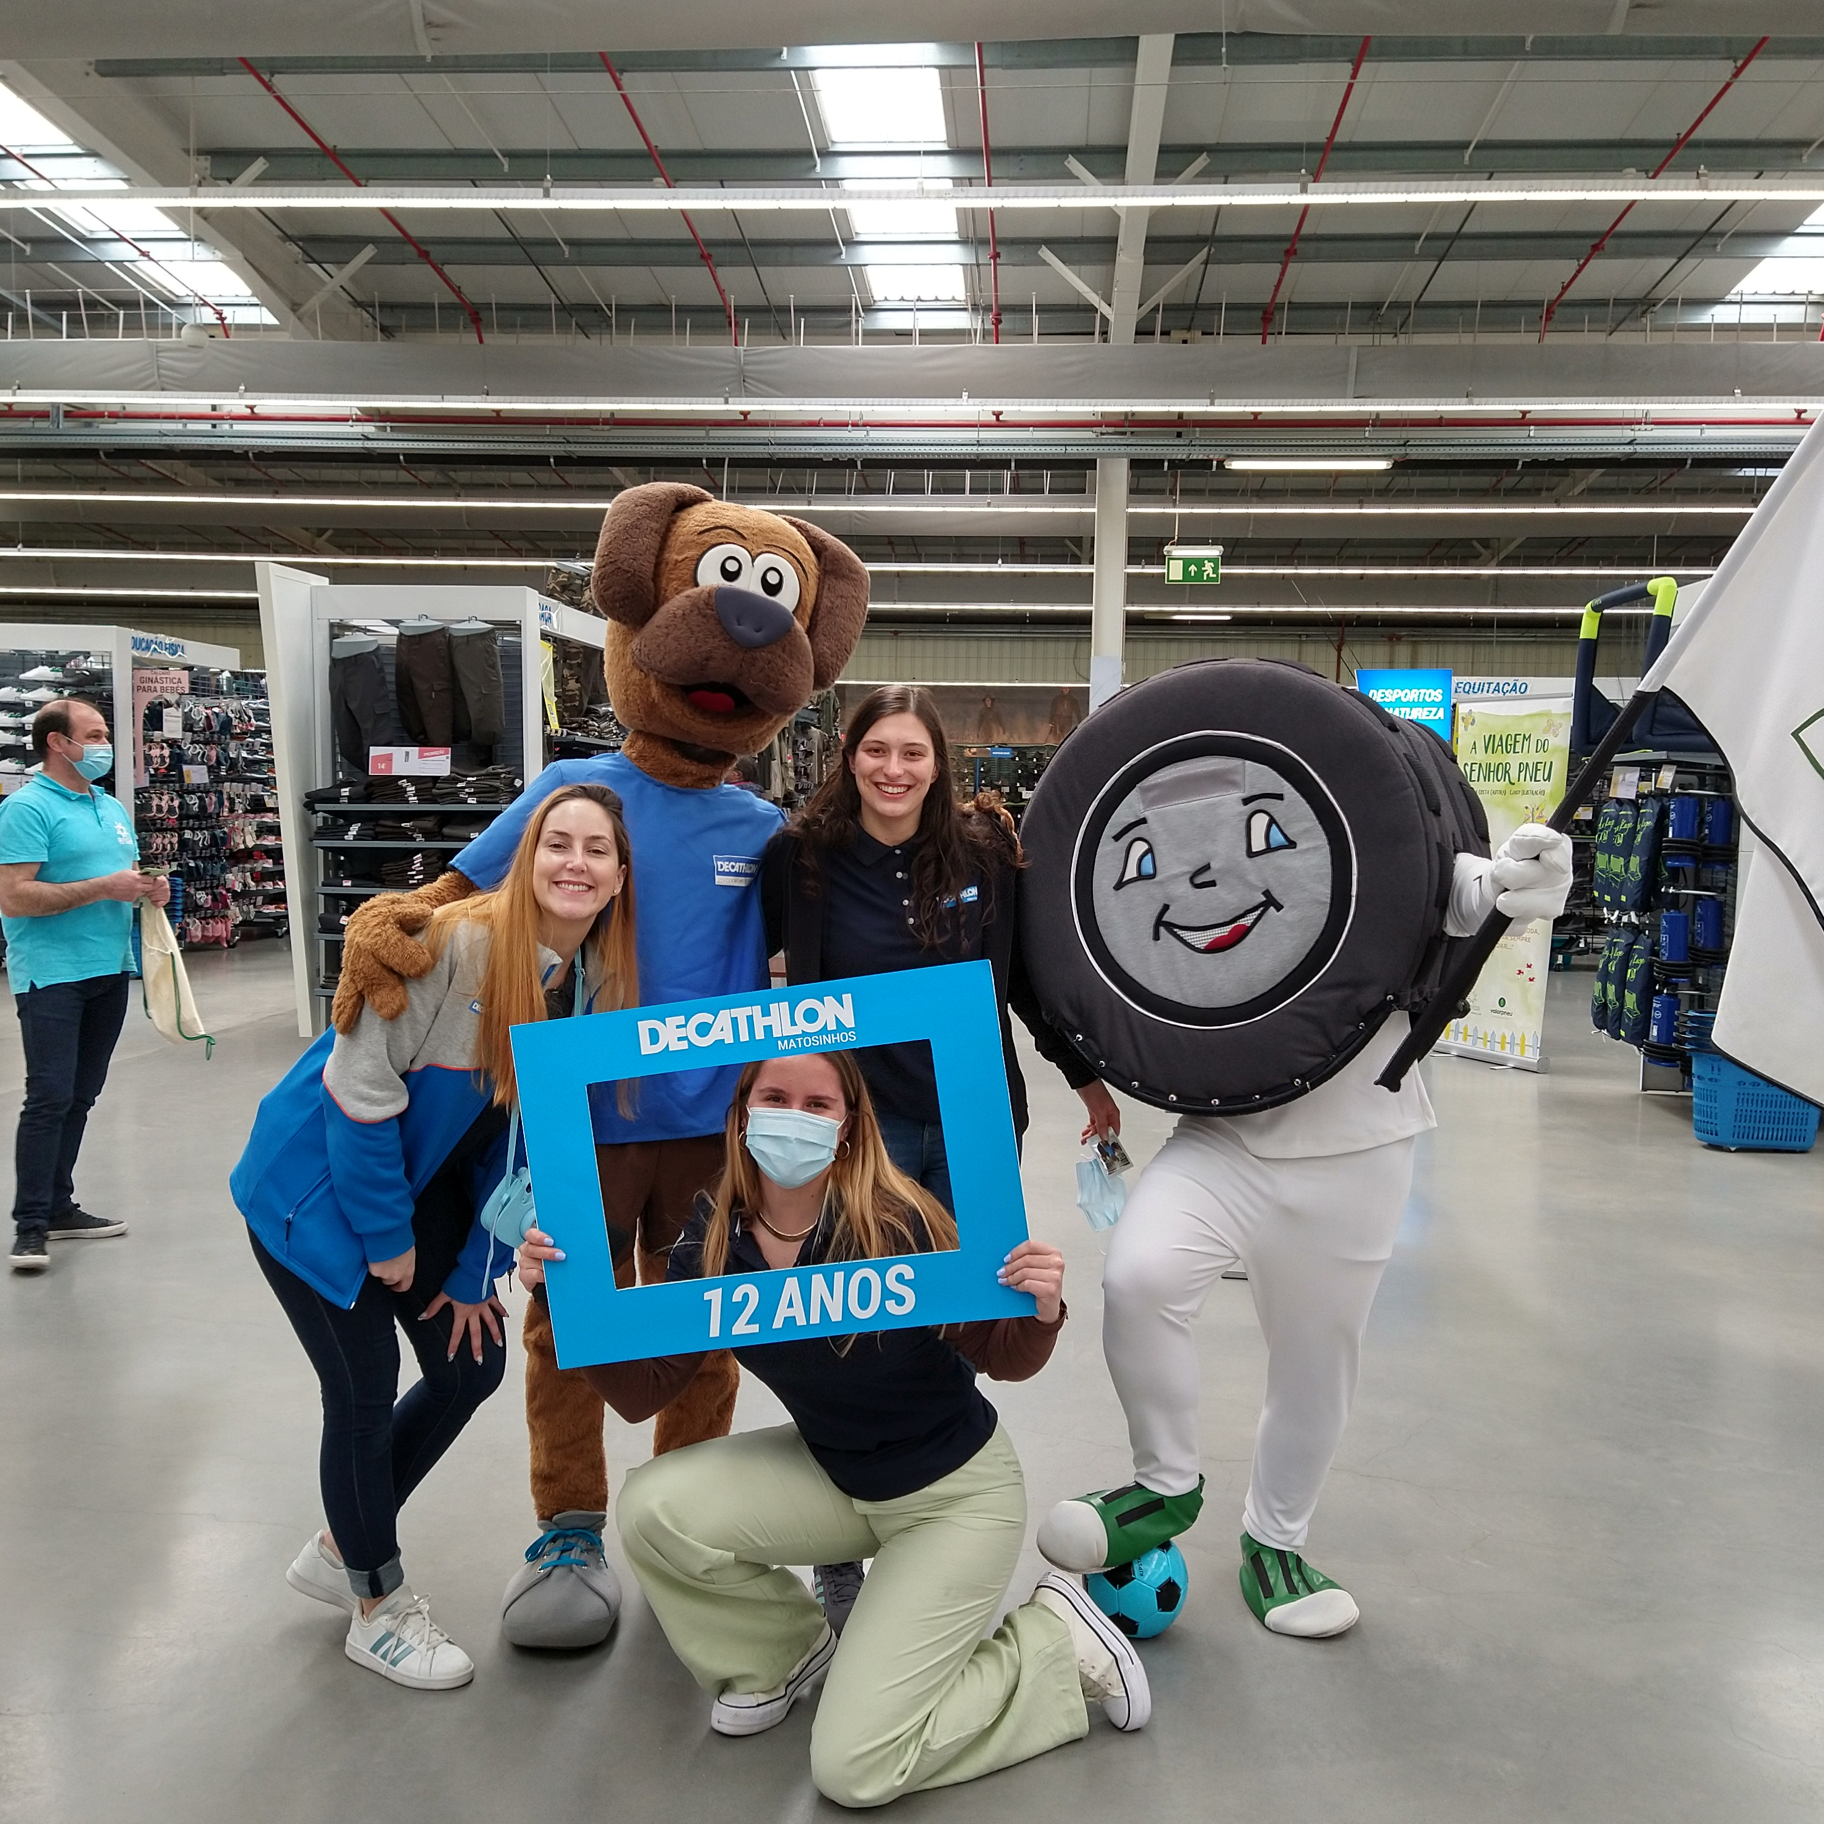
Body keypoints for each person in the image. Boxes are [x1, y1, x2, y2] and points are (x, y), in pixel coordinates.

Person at [515, 1049, 1149, 1808]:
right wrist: (567, 1300)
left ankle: (1055, 1643)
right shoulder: (718, 1230)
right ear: (742, 1112)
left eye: (818, 1105)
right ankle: (782, 1656)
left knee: (854, 1769)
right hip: (835, 1475)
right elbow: (644, 1392)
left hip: (953, 1496)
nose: (794, 1116)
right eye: (774, 1096)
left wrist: (1042, 1307)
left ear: (850, 1126)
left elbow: (1002, 1357)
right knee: (654, 1509)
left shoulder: (899, 1216)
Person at [229, 784, 638, 1690]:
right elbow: (360, 1091)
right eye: (556, 843)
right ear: (527, 859)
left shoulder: (591, 983)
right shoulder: (459, 945)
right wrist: (385, 1242)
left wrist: (472, 1269)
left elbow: (520, 1144)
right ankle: (375, 1605)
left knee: (468, 1364)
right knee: (364, 1389)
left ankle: (343, 1545)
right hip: (312, 1188)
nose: (575, 862)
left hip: (417, 1189)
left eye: (596, 850)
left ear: (618, 877)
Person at [763, 685, 1121, 1215]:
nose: (893, 769)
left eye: (913, 753)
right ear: (850, 757)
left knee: (976, 1287)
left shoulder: (984, 852)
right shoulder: (803, 857)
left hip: (975, 1112)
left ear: (935, 767)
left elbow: (1020, 978)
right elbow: (741, 965)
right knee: (879, 1286)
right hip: (862, 1124)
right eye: (876, 750)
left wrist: (1085, 1078)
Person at [0, 699, 168, 1274]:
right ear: (57, 742)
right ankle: (30, 1227)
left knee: (81, 1093)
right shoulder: (26, 809)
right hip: (51, 974)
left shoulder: (111, 807)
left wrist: (150, 889)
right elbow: (14, 896)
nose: (105, 745)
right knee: (48, 1094)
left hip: (108, 968)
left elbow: (124, 874)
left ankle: (58, 1206)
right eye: (94, 735)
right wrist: (105, 888)